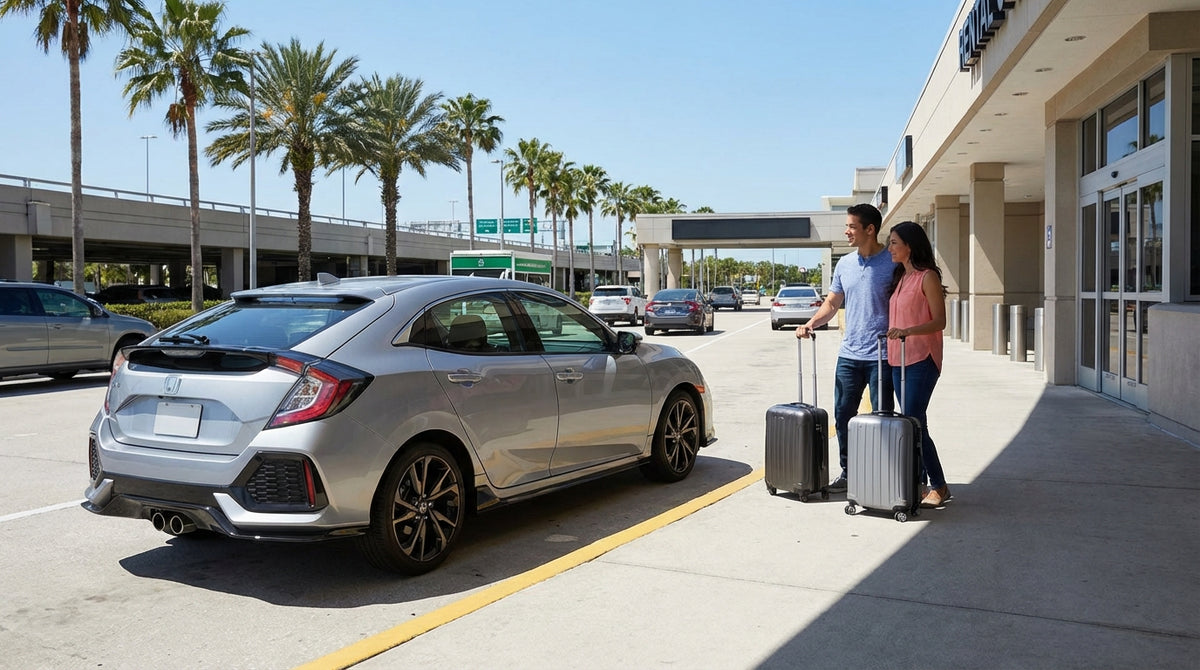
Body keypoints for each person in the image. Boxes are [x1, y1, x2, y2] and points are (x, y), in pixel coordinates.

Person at [796, 203, 895, 492]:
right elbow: (831, 303)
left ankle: (884, 475)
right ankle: (849, 472)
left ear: (870, 229)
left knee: (883, 418)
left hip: (882, 355)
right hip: (850, 354)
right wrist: (811, 323)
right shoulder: (845, 263)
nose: (847, 230)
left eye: (852, 226)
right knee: (842, 416)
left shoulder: (892, 262)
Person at [884, 221, 949, 508]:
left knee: (914, 423)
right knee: (912, 423)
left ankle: (939, 485)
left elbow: (940, 321)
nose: (890, 248)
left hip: (922, 358)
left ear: (910, 245)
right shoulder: (900, 278)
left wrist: (907, 332)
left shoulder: (927, 277)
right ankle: (920, 483)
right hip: (898, 360)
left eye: (895, 242)